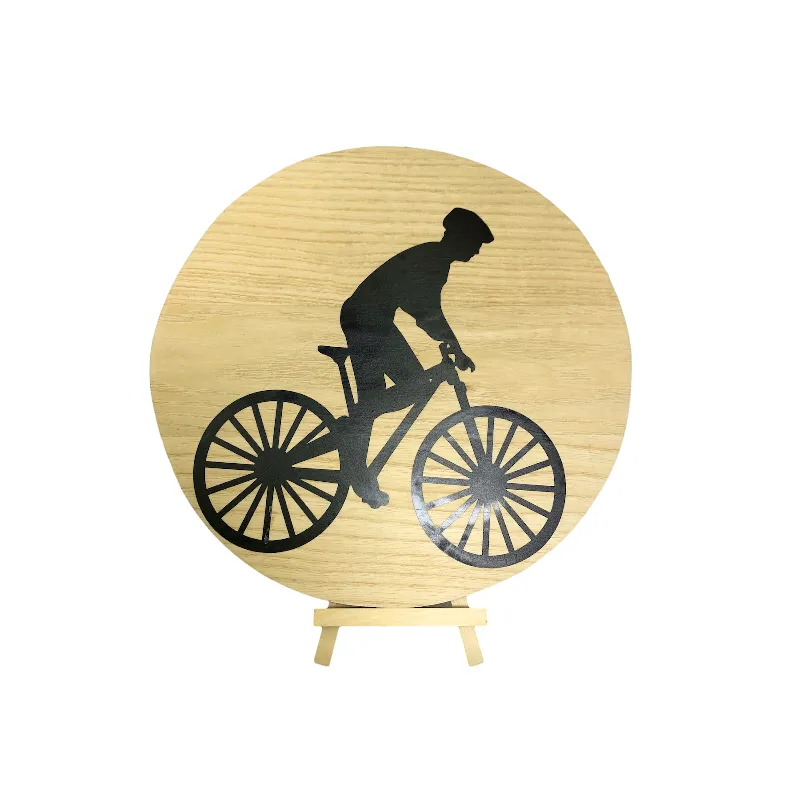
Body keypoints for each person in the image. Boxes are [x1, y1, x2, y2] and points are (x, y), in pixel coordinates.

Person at [339, 207, 494, 508]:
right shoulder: (432, 260)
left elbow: (424, 309)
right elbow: (425, 311)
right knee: (407, 388)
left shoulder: (435, 259)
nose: (476, 250)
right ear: (460, 237)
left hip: (370, 318)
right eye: (475, 242)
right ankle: (354, 448)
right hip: (366, 319)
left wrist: (452, 343)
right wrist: (454, 346)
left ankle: (356, 447)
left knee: (394, 393)